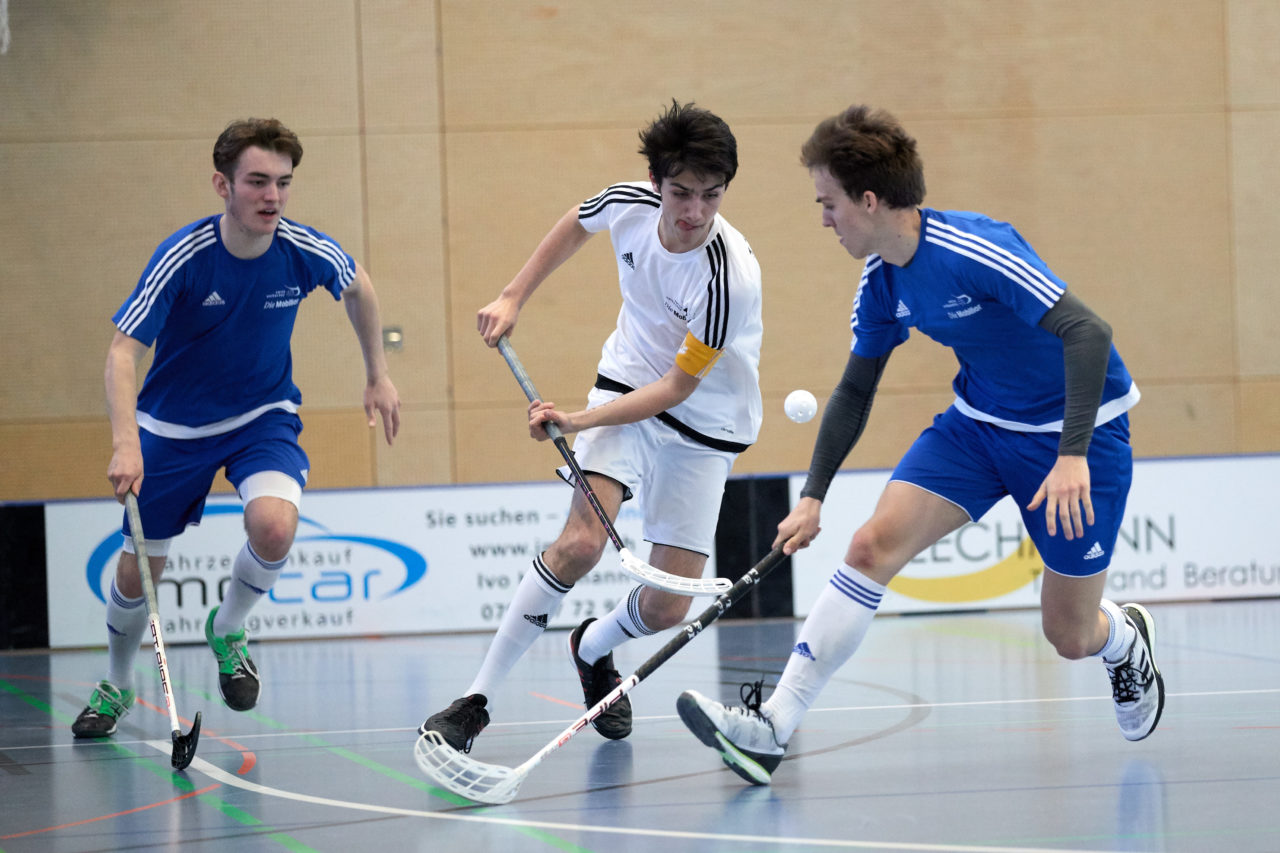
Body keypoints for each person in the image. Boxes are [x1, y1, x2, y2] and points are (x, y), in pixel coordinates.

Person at [677, 104, 1164, 785]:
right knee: (870, 546)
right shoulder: (881, 281)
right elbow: (855, 389)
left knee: (1070, 634)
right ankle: (772, 726)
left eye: (829, 204)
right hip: (978, 427)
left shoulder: (976, 248)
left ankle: (1124, 640)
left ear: (869, 200)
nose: (824, 219)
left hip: (1079, 433)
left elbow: (1089, 330)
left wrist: (1073, 454)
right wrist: (813, 496)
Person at [419, 100, 763, 753]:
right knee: (580, 544)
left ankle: (593, 645)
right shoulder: (628, 202)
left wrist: (575, 418)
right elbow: (576, 225)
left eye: (711, 196)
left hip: (705, 422)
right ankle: (475, 701)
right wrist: (514, 294)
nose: (694, 212)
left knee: (666, 607)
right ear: (658, 182)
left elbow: (677, 388)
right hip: (627, 382)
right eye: (681, 192)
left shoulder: (728, 280)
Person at [71, 118, 401, 738]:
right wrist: (126, 442)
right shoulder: (184, 259)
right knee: (139, 568)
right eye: (256, 181)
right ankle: (116, 681)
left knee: (274, 527)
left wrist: (377, 373)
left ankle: (227, 630)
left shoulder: (303, 250)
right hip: (169, 428)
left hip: (261, 415)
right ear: (222, 185)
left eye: (282, 182)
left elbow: (359, 288)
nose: (271, 196)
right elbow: (122, 351)